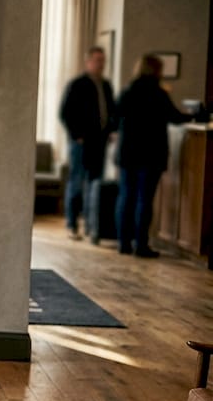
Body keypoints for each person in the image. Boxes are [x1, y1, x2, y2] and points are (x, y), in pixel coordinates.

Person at [114, 54, 196, 258]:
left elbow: (115, 119)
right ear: (156, 71)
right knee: (145, 199)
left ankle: (123, 243)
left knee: (126, 196)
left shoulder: (128, 92)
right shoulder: (158, 94)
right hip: (151, 155)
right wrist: (194, 115)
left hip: (128, 153)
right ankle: (141, 245)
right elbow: (175, 118)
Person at [58, 46, 115, 242]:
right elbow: (65, 113)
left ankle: (92, 227)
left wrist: (112, 131)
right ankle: (72, 224)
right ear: (88, 62)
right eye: (97, 60)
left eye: (103, 60)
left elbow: (110, 112)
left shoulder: (106, 85)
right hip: (81, 142)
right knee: (77, 183)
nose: (101, 64)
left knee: (95, 185)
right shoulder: (77, 84)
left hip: (100, 143)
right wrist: (77, 135)